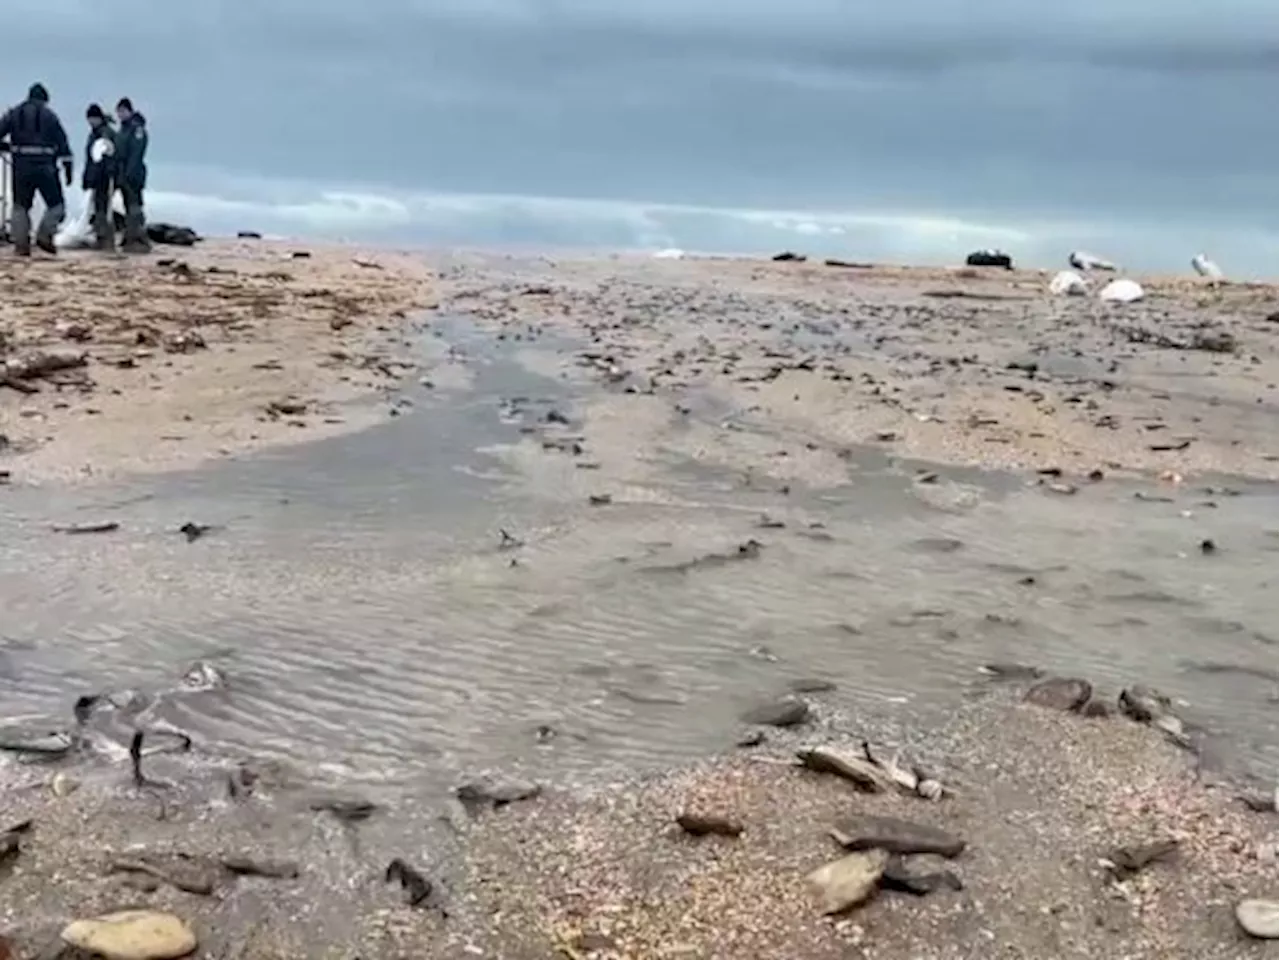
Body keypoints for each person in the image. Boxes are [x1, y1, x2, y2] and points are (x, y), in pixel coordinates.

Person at [0, 83, 73, 256]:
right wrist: (68, 168)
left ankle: (21, 245)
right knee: (56, 205)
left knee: (20, 206)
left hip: (21, 167)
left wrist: (7, 147)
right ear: (44, 100)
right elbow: (63, 143)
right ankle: (45, 235)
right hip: (46, 167)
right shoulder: (50, 116)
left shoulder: (14, 114)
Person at [114, 97, 149, 253]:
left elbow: (136, 153)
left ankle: (137, 237)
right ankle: (130, 236)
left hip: (133, 173)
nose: (120, 115)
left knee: (134, 205)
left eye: (122, 111)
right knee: (128, 205)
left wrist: (130, 173)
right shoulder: (122, 130)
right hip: (122, 172)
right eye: (118, 112)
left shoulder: (137, 130)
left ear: (129, 111)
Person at [83, 103, 117, 251]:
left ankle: (105, 239)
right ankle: (101, 236)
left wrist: (108, 172)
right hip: (97, 176)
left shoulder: (105, 133)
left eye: (92, 118)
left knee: (103, 207)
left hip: (104, 177)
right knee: (99, 207)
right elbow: (90, 158)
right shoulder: (95, 133)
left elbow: (107, 155)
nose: (90, 122)